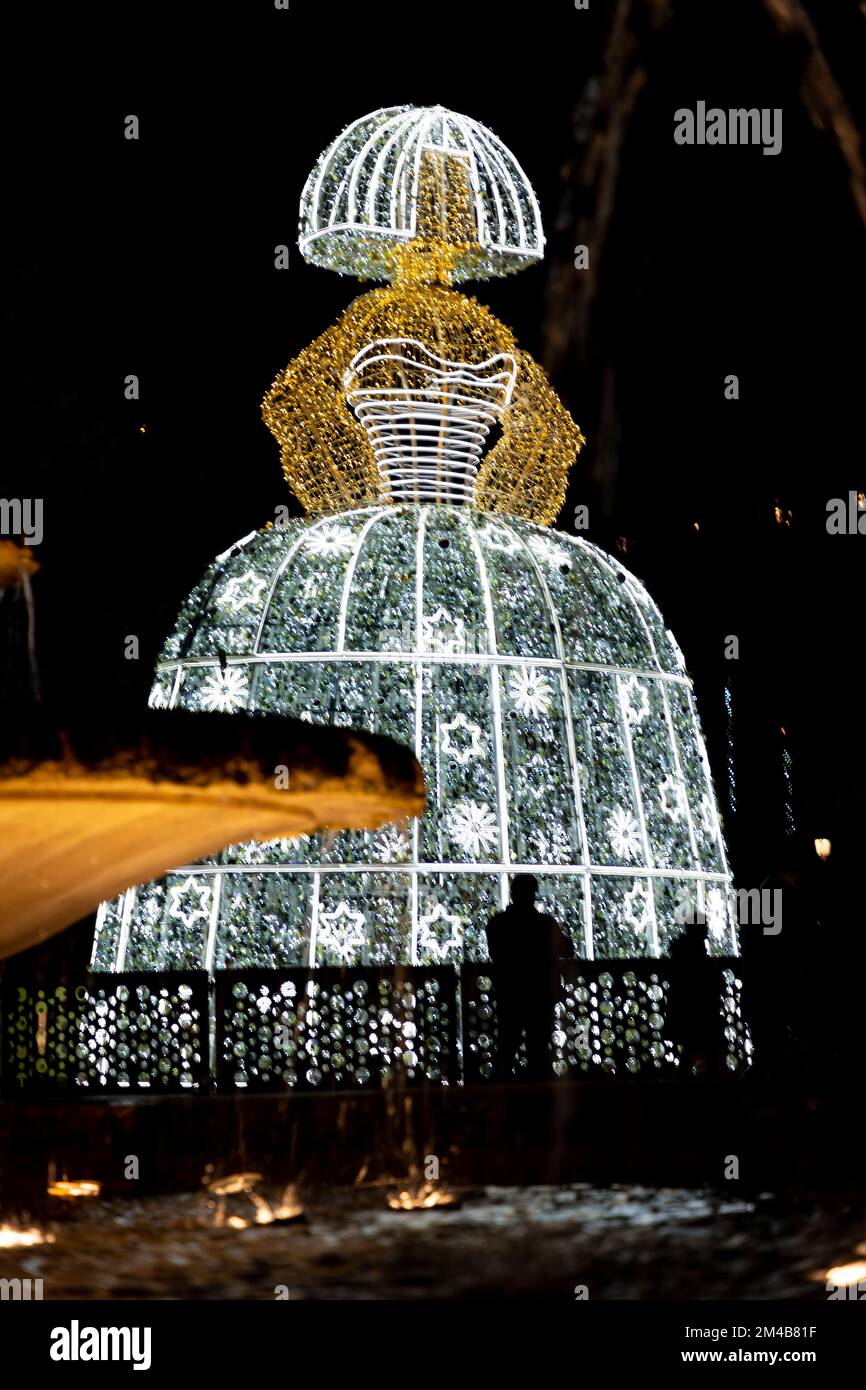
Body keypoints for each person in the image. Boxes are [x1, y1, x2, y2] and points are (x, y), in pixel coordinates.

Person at [485, 875, 573, 1082]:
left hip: (510, 993)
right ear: (533, 894)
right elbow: (567, 949)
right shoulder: (544, 924)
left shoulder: (498, 924)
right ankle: (539, 1099)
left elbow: (496, 953)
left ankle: (503, 1096)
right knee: (539, 1049)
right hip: (539, 994)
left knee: (507, 1046)